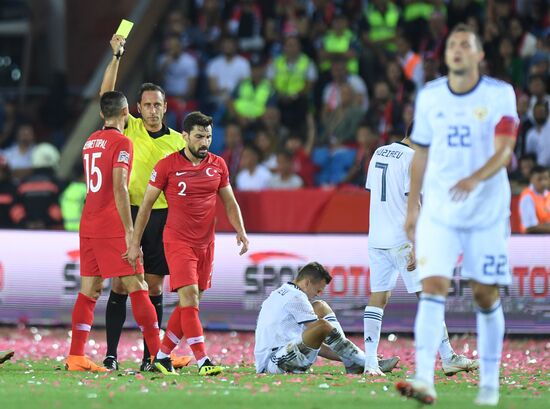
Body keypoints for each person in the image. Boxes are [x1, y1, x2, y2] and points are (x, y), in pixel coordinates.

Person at [396, 24, 519, 406]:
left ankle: (489, 385)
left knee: (484, 294)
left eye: (466, 45)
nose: (457, 50)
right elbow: (420, 153)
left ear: (480, 55)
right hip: (440, 211)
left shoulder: (500, 94)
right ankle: (423, 378)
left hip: (486, 210)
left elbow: (505, 149)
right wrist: (413, 208)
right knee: (433, 286)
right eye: (452, 45)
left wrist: (475, 178)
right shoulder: (431, 96)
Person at [127, 111, 249, 376]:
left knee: (188, 305)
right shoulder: (167, 165)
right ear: (184, 137)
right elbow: (146, 206)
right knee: (190, 298)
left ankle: (160, 356)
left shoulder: (218, 165)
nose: (204, 142)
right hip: (177, 241)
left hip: (206, 245)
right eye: (199, 137)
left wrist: (240, 230)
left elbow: (229, 201)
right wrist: (135, 242)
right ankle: (203, 360)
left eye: (208, 137)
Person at [100, 34, 191, 371]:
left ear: (166, 108)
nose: (152, 110)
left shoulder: (177, 142)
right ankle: (110, 355)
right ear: (136, 109)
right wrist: (116, 57)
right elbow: (106, 97)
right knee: (120, 283)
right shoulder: (131, 128)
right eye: (147, 105)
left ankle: (150, 355)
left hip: (162, 218)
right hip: (130, 213)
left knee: (154, 284)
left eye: (158, 105)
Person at [364, 122, 478, 376]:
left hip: (377, 237)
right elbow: (414, 201)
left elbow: (375, 193)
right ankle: (449, 358)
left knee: (378, 298)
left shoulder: (379, 152)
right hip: (404, 240)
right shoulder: (416, 159)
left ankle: (370, 363)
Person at [65, 91, 162, 372]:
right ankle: (157, 355)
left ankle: (76, 356)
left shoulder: (89, 141)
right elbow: (119, 186)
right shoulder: (122, 142)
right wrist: (130, 231)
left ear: (101, 114)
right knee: (136, 284)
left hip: (89, 221)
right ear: (125, 114)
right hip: (110, 223)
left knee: (89, 289)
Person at [254, 262, 399, 374]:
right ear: (306, 283)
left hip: (279, 354)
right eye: (318, 289)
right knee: (323, 326)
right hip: (273, 364)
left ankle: (354, 362)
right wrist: (361, 357)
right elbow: (319, 338)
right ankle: (364, 362)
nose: (319, 293)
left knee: (320, 306)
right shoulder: (297, 297)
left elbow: (315, 343)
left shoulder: (284, 291)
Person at [518, 165, 550, 233]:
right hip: (532, 239)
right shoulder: (527, 197)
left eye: (546, 178)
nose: (543, 182)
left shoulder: (548, 195)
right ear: (531, 179)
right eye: (539, 179)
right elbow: (530, 227)